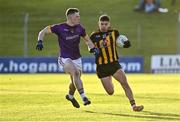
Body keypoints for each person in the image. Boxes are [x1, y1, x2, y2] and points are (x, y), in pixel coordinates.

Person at [36, 8, 99, 108]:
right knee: (75, 73)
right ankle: (84, 97)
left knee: (75, 79)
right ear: (70, 17)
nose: (79, 18)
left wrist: (93, 48)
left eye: (79, 16)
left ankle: (70, 96)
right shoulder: (59, 27)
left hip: (77, 58)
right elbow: (42, 31)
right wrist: (40, 41)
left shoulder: (80, 28)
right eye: (77, 16)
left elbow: (87, 40)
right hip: (64, 58)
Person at [90, 15, 144, 112]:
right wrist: (92, 50)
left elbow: (121, 41)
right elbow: (89, 46)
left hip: (114, 64)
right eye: (102, 24)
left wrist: (126, 43)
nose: (103, 26)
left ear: (109, 24)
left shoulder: (114, 33)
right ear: (98, 24)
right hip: (101, 67)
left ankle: (133, 105)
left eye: (106, 24)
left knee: (124, 83)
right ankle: (110, 77)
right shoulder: (94, 36)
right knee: (110, 92)